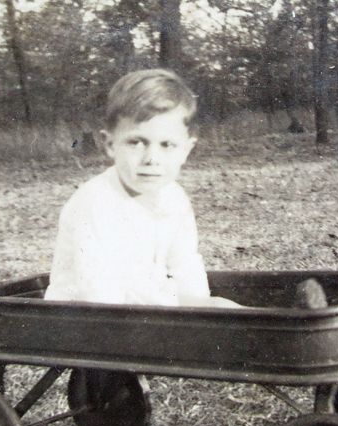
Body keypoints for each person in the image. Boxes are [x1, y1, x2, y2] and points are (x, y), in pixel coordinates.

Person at [45, 68, 236, 307]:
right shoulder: (97, 202)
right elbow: (99, 291)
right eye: (136, 142)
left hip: (143, 310)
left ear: (186, 149)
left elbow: (185, 263)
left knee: (221, 308)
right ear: (110, 144)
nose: (151, 158)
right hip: (81, 319)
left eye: (167, 145)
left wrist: (204, 311)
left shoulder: (173, 197)